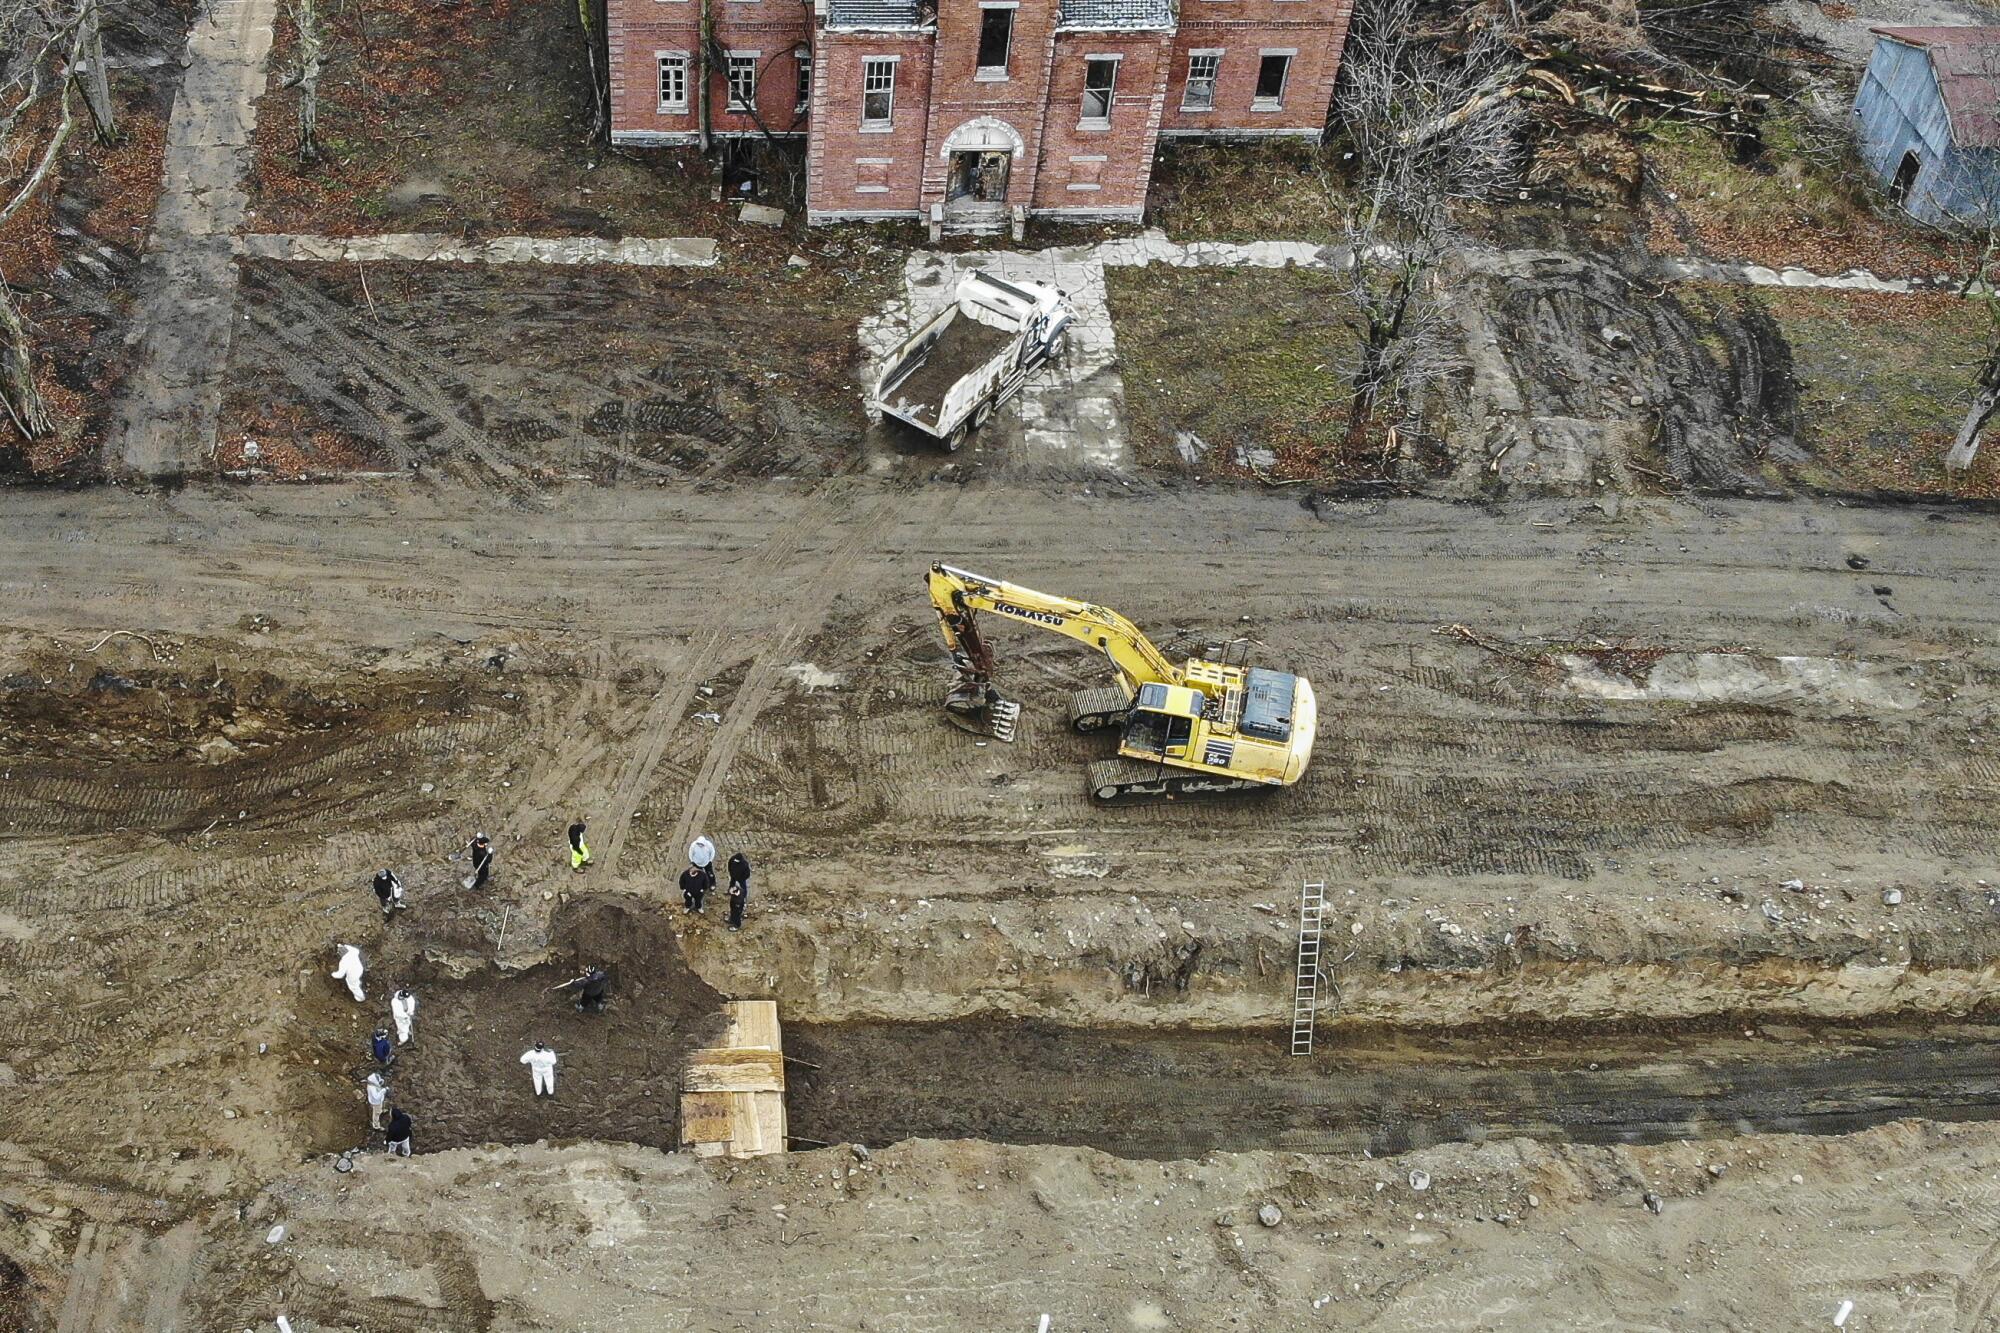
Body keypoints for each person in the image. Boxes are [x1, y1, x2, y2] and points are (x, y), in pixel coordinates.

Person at [727, 851, 752, 931]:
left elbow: (747, 874)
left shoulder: (744, 864)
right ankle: (731, 919)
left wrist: (742, 878)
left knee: (736, 915)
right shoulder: (733, 859)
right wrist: (731, 873)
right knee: (733, 913)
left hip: (741, 878)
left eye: (732, 890)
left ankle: (736, 925)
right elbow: (729, 865)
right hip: (734, 875)